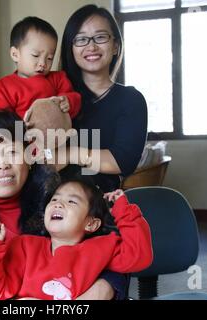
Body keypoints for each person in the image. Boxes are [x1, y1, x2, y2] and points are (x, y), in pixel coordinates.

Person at [0, 110, 129, 300]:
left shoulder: (61, 200)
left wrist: (105, 287)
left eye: (12, 152)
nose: (2, 164)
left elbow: (117, 250)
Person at [0, 178, 153, 300]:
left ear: (91, 224)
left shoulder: (101, 248)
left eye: (72, 201)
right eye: (54, 200)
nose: (58, 203)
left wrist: (123, 211)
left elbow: (139, 255)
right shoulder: (24, 246)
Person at [57, 5, 148, 193]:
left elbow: (122, 161)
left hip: (100, 207)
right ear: (71, 48)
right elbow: (36, 151)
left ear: (115, 45)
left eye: (100, 37)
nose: (91, 46)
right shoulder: (56, 98)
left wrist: (69, 154)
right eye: (81, 39)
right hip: (50, 204)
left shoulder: (131, 100)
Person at [0, 16, 81, 123]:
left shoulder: (58, 79)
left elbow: (75, 98)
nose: (43, 63)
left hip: (59, 136)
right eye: (35, 55)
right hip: (21, 137)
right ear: (15, 54)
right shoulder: (2, 88)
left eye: (49, 58)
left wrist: (68, 101)